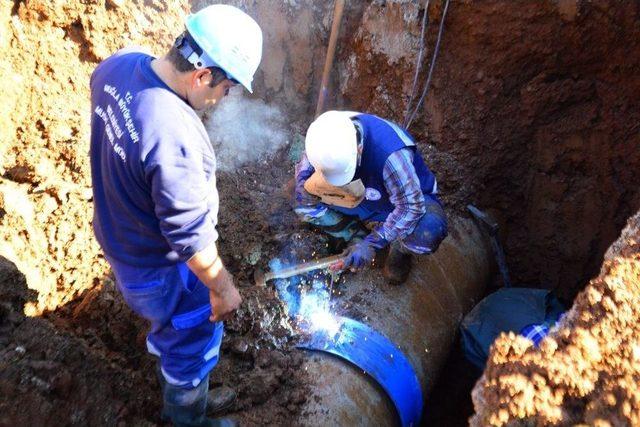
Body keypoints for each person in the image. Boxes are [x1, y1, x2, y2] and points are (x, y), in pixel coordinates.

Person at [89, 5, 262, 426]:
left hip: (120, 238)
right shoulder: (174, 134)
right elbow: (190, 236)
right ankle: (187, 415)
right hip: (161, 268)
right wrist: (223, 290)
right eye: (228, 88)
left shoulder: (119, 66)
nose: (223, 98)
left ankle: (173, 365)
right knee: (193, 338)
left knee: (167, 327)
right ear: (203, 76)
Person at [294, 111, 448, 285]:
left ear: (359, 150)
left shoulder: (391, 156)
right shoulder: (327, 133)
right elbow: (307, 158)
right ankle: (354, 235)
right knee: (303, 203)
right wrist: (301, 180)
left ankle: (400, 248)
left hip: (398, 201)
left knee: (427, 232)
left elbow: (412, 207)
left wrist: (373, 244)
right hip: (361, 192)